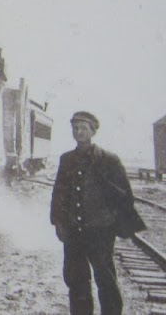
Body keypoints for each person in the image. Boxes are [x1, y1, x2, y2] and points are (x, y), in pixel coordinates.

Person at [51, 111, 146, 315]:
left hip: (100, 232)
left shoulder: (109, 160)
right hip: (73, 231)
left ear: (93, 131)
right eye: (75, 128)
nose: (79, 132)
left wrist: (113, 222)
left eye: (84, 128)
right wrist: (58, 222)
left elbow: (125, 196)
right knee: (76, 280)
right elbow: (58, 193)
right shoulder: (66, 159)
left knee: (105, 278)